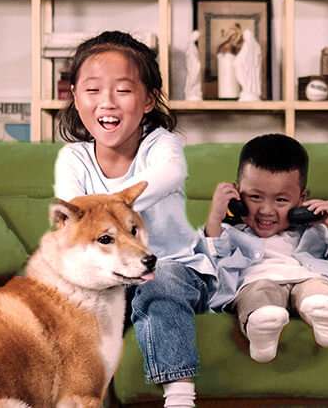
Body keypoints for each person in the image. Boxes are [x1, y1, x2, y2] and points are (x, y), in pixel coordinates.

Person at [51, 31, 215, 408]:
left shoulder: (163, 146)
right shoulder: (73, 158)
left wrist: (102, 209)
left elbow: (166, 178)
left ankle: (178, 394)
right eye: (92, 90)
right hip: (108, 279)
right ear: (75, 97)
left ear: (148, 100)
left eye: (122, 90)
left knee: (161, 281)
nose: (106, 102)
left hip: (176, 270)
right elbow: (72, 222)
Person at [203, 133, 328, 363]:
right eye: (255, 197)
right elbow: (209, 270)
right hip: (257, 281)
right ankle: (261, 326)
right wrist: (215, 218)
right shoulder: (232, 234)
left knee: (319, 288)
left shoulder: (316, 231)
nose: (266, 210)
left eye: (281, 200)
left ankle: (326, 316)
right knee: (259, 292)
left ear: (301, 199)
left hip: (309, 279)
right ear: (237, 194)